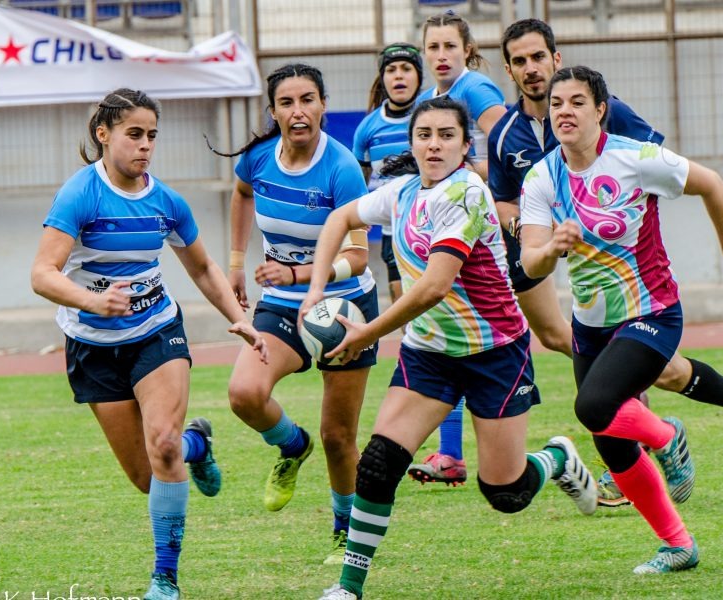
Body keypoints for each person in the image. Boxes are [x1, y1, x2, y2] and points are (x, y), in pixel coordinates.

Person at [490, 19, 723, 506]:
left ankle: (647, 434)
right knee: (650, 371)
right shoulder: (510, 138)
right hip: (577, 287)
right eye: (520, 61)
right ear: (508, 70)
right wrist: (539, 236)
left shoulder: (617, 128)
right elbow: (507, 202)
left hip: (642, 290)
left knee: (602, 394)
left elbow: (672, 171)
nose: (532, 69)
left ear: (556, 59)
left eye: (539, 58)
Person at [303, 96, 598, 600]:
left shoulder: (466, 194)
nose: (433, 144)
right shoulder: (400, 192)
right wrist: (315, 290)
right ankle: (348, 587)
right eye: (424, 135)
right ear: (412, 143)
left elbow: (434, 286)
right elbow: (337, 220)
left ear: (465, 145)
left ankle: (557, 458)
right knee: (376, 466)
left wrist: (366, 334)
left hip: (495, 353)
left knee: (505, 493)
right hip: (429, 355)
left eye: (445, 135)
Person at [520, 66, 723, 574]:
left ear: (600, 110)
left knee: (595, 404)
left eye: (577, 102)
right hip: (590, 324)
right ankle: (679, 545)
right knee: (609, 440)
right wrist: (552, 250)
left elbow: (712, 184)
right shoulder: (542, 177)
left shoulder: (635, 157)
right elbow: (530, 261)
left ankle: (666, 435)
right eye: (557, 103)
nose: (564, 111)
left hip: (652, 310)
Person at [30, 89, 268, 600]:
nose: (145, 146)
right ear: (104, 135)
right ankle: (198, 445)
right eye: (134, 134)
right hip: (92, 346)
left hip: (156, 332)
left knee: (161, 445)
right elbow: (42, 274)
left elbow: (202, 266)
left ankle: (165, 579)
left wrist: (239, 320)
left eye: (151, 135)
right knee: (148, 476)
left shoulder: (167, 202)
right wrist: (92, 302)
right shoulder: (80, 195)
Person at [214, 64, 378, 565]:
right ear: (274, 111)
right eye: (287, 103)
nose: (298, 111)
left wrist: (298, 273)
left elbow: (357, 256)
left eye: (308, 99)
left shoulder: (342, 167)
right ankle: (291, 444)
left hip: (344, 306)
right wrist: (239, 264)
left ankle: (345, 534)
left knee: (338, 437)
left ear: (323, 105)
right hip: (283, 307)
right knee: (244, 394)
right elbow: (242, 194)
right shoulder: (259, 158)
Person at [406, 10, 509, 485]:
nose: (441, 55)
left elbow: (510, 149)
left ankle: (628, 393)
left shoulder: (476, 90)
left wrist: (476, 183)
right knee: (443, 329)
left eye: (450, 46)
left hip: (490, 231)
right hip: (447, 229)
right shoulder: (431, 99)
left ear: (467, 49)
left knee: (550, 336)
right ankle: (450, 454)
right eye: (433, 47)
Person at [352, 42, 424, 305]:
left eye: (407, 69)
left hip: (432, 224)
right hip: (392, 230)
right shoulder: (368, 128)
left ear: (419, 76)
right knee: (405, 308)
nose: (399, 75)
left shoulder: (432, 114)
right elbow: (358, 180)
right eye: (391, 70)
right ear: (383, 78)